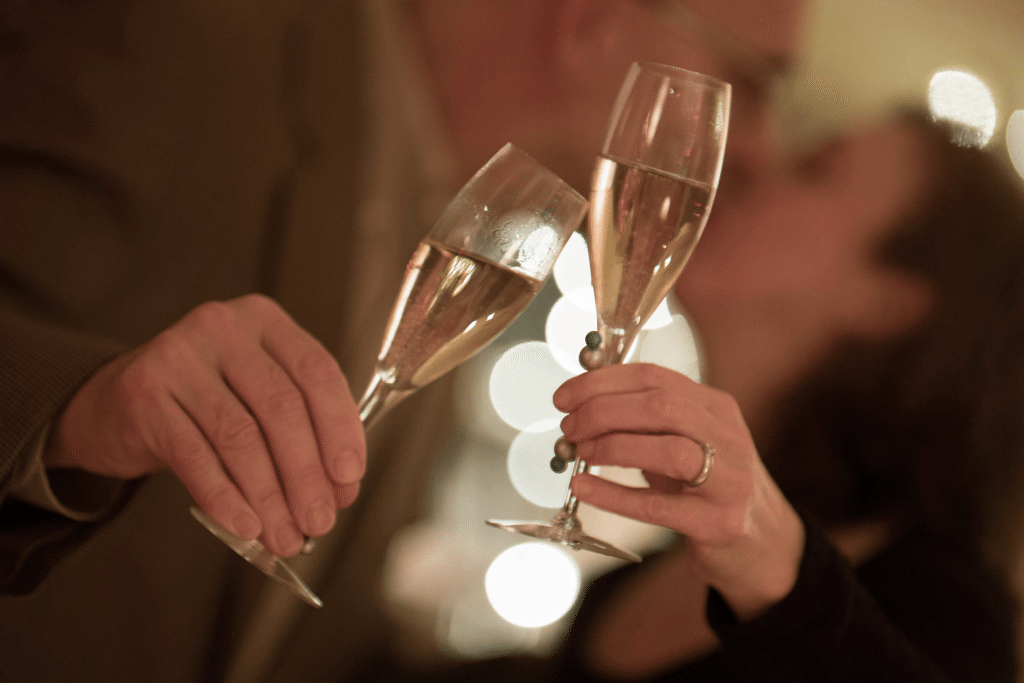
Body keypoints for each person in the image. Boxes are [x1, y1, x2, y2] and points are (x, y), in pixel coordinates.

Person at [0, 1, 804, 681]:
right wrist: (79, 414)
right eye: (758, 80)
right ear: (591, 18)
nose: (761, 147)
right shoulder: (180, 39)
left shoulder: (488, 241)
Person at [539, 109, 1024, 681]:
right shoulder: (643, 571)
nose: (750, 159)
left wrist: (782, 574)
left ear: (886, 298)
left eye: (814, 167)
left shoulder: (940, 604)